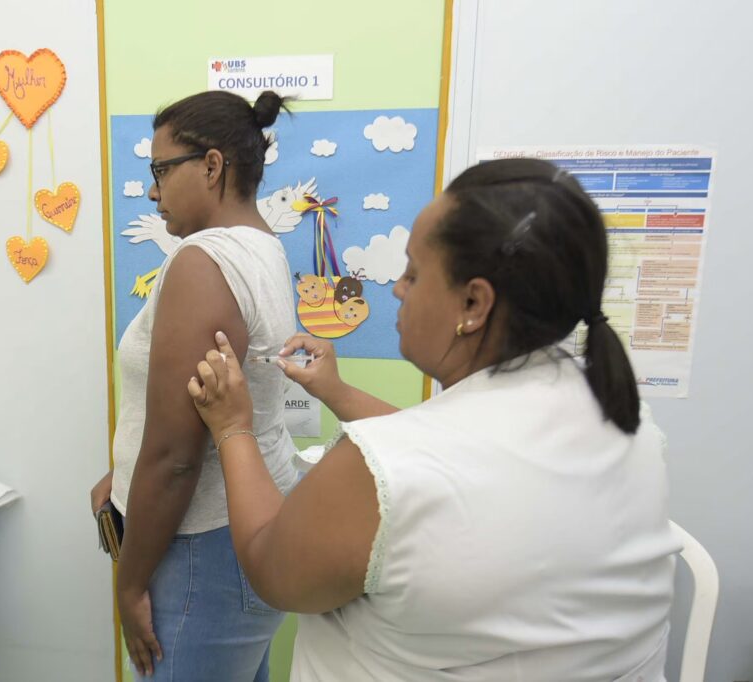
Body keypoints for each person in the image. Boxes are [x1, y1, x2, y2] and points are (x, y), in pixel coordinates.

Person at [187, 158, 681, 681]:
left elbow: (270, 566)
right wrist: (336, 392)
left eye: (415, 273)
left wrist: (232, 426)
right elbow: (457, 462)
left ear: (473, 302)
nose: (398, 288)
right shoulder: (625, 420)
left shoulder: (390, 470)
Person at [89, 90, 298, 680]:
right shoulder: (262, 249)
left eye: (160, 169)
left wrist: (128, 584)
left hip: (202, 550)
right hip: (244, 532)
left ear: (211, 166)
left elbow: (177, 458)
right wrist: (123, 470)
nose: (153, 190)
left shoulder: (202, 262)